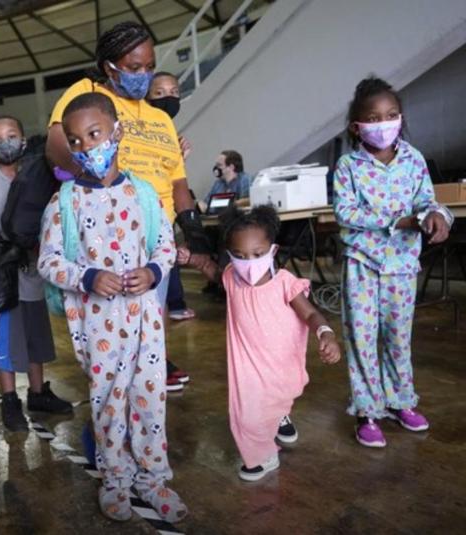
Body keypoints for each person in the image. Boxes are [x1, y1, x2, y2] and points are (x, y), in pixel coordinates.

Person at [38, 93, 187, 523]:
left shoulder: (142, 193)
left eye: (94, 134)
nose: (86, 147)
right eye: (76, 140)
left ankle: (153, 479)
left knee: (150, 399)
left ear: (116, 131)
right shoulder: (64, 202)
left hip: (146, 323)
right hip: (97, 326)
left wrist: (155, 273)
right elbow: (48, 261)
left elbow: (165, 246)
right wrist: (86, 277)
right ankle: (116, 481)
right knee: (108, 401)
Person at [46, 21, 211, 391]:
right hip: (108, 230)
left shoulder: (159, 118)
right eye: (134, 68)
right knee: (109, 321)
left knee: (153, 309)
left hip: (154, 233)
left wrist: (194, 234)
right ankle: (111, 387)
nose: (144, 75)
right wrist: (96, 183)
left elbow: (178, 183)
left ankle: (153, 369)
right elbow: (57, 144)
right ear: (110, 66)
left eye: (149, 67)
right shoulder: (87, 92)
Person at [178, 205, 341, 481]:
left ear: (273, 251)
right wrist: (192, 258)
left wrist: (326, 333)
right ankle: (263, 456)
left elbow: (311, 312)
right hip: (248, 367)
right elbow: (213, 270)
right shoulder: (232, 277)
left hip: (281, 362)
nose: (248, 263)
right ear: (230, 255)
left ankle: (279, 416)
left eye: (257, 254)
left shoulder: (284, 283)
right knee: (247, 413)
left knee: (278, 398)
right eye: (240, 256)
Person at [334, 77, 452, 448]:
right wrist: (396, 221)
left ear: (400, 117)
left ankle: (401, 401)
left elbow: (427, 202)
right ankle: (368, 411)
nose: (383, 123)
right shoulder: (348, 166)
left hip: (402, 265)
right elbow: (345, 211)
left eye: (391, 115)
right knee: (363, 339)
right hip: (363, 265)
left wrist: (438, 217)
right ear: (357, 126)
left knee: (399, 339)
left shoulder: (414, 160)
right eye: (373, 117)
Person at [0, 116, 72, 432]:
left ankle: (38, 393)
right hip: (1, 277)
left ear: (22, 140)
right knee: (5, 339)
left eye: (12, 135)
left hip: (34, 271)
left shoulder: (39, 177)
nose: (5, 141)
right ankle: (9, 400)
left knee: (35, 336)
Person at [147, 72, 195, 327]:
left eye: (174, 92)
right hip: (142, 221)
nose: (168, 98)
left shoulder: (170, 133)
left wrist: (178, 161)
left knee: (159, 294)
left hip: (165, 219)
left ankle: (156, 360)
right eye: (160, 93)